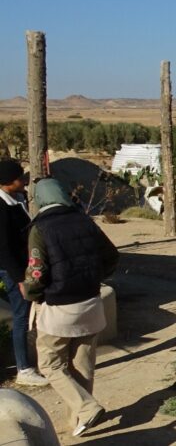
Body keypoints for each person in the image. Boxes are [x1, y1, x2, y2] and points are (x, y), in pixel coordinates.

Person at [20, 178, 119, 437]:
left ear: (39, 199)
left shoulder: (40, 228)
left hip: (59, 310)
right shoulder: (84, 220)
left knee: (51, 365)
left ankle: (86, 409)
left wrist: (30, 292)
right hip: (92, 304)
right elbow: (111, 256)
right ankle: (79, 421)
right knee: (82, 365)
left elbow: (37, 271)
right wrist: (94, 277)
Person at [0, 159, 48, 386]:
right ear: (8, 181)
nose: (24, 180)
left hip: (21, 268)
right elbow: (4, 249)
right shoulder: (2, 208)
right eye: (20, 177)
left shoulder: (14, 200)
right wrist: (19, 278)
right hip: (13, 271)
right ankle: (24, 369)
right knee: (20, 318)